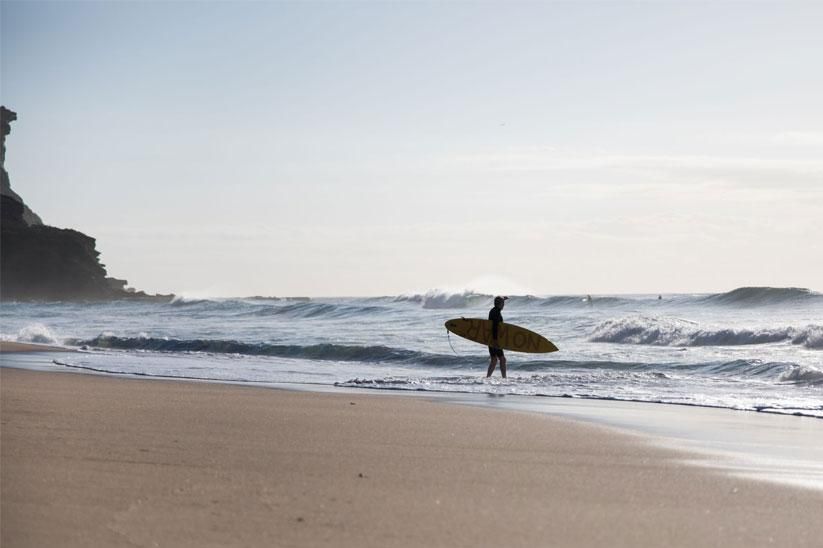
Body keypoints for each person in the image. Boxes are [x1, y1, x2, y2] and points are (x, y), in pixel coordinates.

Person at [486, 296, 507, 378]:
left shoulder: (494, 310)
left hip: (491, 339)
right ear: (499, 304)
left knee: (494, 360)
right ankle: (504, 378)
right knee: (502, 359)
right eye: (503, 303)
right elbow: (494, 326)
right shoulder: (496, 313)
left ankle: (488, 377)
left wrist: (503, 298)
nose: (504, 305)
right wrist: (495, 340)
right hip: (494, 339)